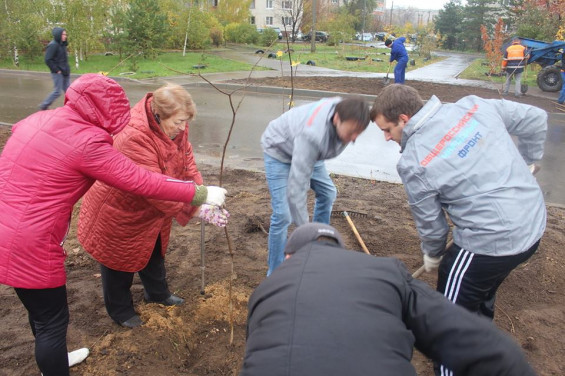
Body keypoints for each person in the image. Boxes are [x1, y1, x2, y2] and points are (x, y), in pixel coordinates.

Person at [0, 74, 227, 376]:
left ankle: (53, 358)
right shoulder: (92, 141)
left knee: (42, 316)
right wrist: (198, 197)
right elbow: (140, 181)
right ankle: (54, 363)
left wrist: (198, 191)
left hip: (9, 221)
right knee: (52, 322)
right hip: (31, 239)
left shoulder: (39, 119)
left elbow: (22, 141)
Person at [371, 84, 546, 375]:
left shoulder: (414, 161)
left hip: (491, 242)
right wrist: (529, 158)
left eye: (386, 130)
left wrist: (433, 255)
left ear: (404, 118)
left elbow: (432, 226)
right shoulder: (474, 107)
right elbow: (536, 119)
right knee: (479, 287)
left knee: (446, 322)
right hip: (532, 225)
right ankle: (481, 342)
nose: (387, 138)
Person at [240, 223, 537, 376]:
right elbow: (478, 343)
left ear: (289, 256)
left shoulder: (265, 291)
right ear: (342, 252)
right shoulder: (385, 272)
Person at [77, 83, 228, 328]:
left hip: (150, 212)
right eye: (179, 122)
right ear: (159, 114)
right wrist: (196, 205)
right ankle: (121, 311)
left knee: (153, 250)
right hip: (119, 209)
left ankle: (157, 294)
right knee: (119, 262)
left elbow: (186, 160)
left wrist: (201, 191)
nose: (183, 128)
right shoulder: (133, 136)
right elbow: (155, 190)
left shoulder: (174, 127)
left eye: (186, 122)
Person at [261, 96, 371, 276]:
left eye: (358, 132)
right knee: (283, 214)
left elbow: (312, 156)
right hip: (279, 151)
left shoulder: (347, 110)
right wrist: (307, 233)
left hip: (310, 152)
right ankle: (276, 273)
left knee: (327, 193)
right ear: (336, 119)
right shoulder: (312, 135)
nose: (354, 138)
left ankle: (321, 245)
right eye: (351, 132)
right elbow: (297, 189)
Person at [39, 27, 71, 110]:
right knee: (57, 92)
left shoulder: (62, 44)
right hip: (58, 72)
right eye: (63, 34)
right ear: (58, 35)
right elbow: (48, 59)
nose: (65, 36)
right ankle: (44, 105)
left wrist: (66, 69)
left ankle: (72, 108)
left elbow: (63, 59)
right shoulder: (53, 45)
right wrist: (57, 70)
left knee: (69, 91)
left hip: (65, 72)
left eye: (65, 34)